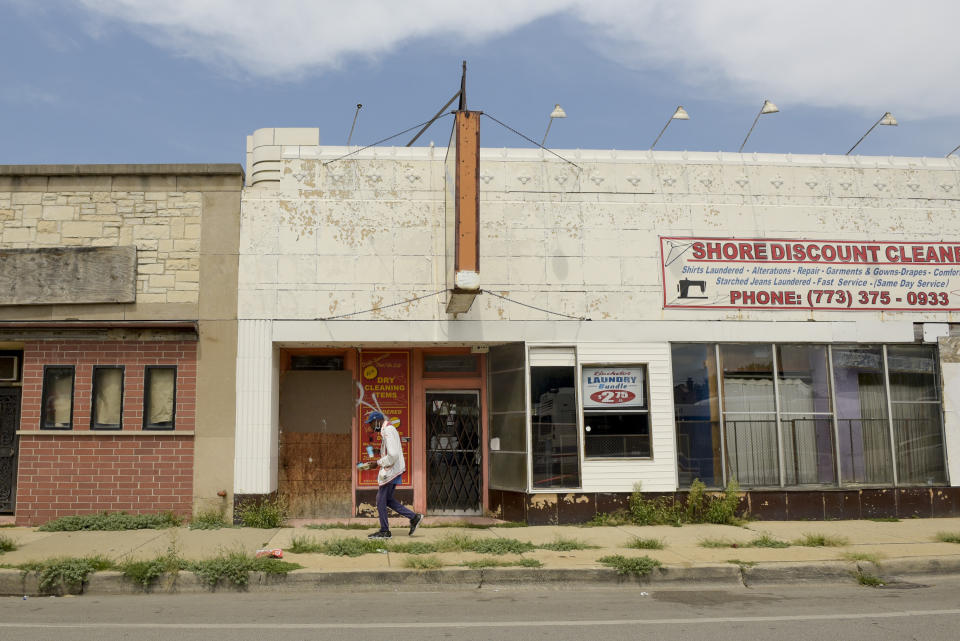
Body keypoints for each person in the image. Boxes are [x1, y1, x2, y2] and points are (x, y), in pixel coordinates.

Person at [359, 411, 423, 539]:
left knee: (380, 500)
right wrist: (379, 451)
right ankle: (414, 517)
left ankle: (384, 531)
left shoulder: (388, 430)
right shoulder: (388, 429)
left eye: (371, 424)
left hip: (391, 471)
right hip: (394, 469)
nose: (371, 427)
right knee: (387, 500)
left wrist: (376, 463)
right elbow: (392, 450)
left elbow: (393, 455)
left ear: (377, 421)